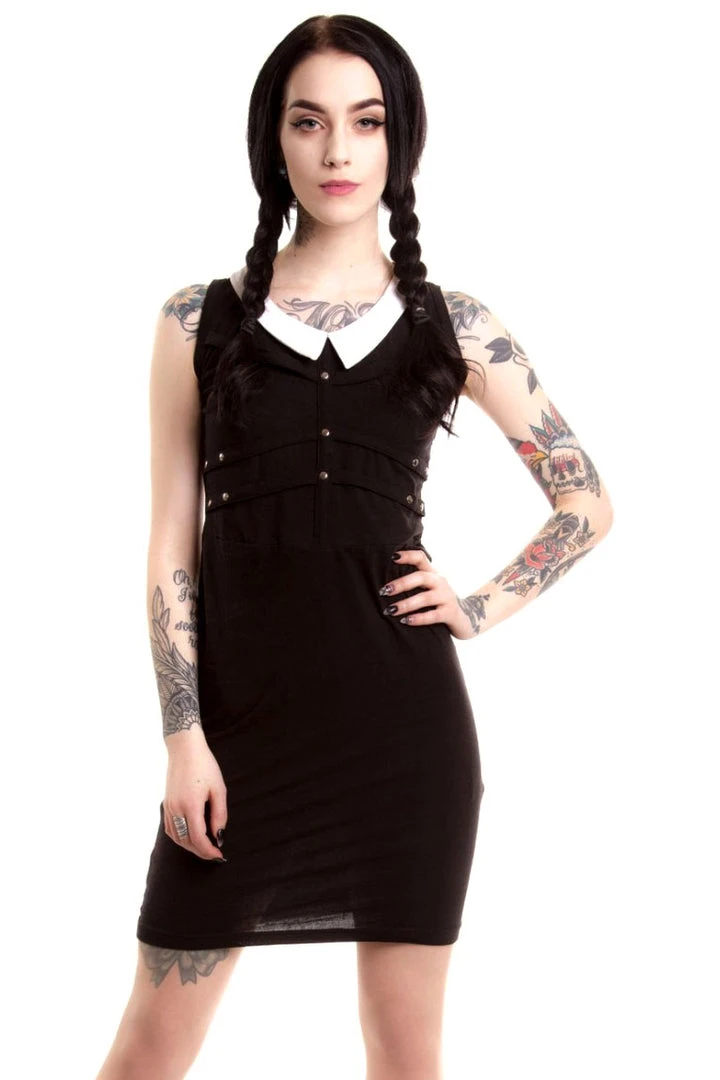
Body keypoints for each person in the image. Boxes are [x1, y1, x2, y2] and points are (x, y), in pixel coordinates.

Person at [96, 14, 613, 1080]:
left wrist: (476, 605)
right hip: (235, 743)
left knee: (404, 1057)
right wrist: (183, 739)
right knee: (147, 1052)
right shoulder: (197, 321)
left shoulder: (454, 325)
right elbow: (171, 546)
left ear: (399, 139)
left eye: (366, 122)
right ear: (273, 141)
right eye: (310, 121)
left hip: (406, 743)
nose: (338, 150)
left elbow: (586, 503)